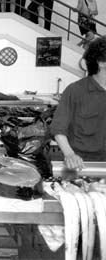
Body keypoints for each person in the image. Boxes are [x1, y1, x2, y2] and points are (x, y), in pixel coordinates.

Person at [50, 36, 106, 171]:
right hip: (81, 164)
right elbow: (58, 128)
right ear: (101, 62)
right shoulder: (75, 90)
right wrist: (70, 154)